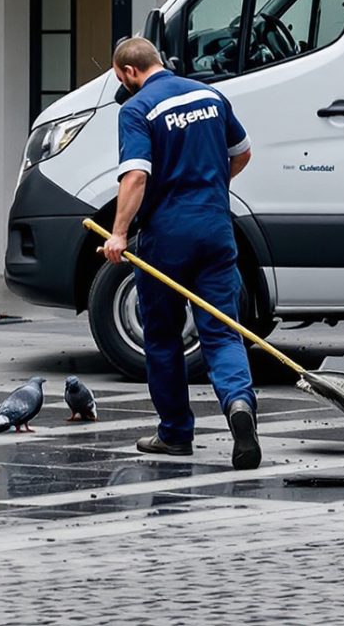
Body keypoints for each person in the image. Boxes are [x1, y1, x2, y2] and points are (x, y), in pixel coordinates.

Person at [97, 35, 262, 468]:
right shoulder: (211, 95)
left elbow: (135, 177)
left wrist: (118, 233)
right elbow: (242, 154)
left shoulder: (136, 109)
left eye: (121, 79)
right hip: (215, 228)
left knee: (163, 337)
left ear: (130, 72)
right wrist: (209, 185)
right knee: (223, 330)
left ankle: (174, 433)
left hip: (166, 237)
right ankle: (240, 407)